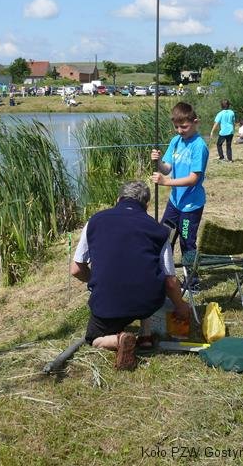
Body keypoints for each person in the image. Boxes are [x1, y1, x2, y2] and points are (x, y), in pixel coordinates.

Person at [71, 181, 192, 370]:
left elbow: (76, 269)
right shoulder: (159, 230)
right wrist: (181, 305)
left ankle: (119, 340)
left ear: (118, 199)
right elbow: (170, 281)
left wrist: (95, 280)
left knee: (94, 338)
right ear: (147, 205)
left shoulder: (94, 221)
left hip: (108, 303)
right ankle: (145, 335)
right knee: (147, 272)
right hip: (147, 302)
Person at [151, 102, 209, 267]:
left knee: (187, 242)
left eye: (184, 127)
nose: (179, 131)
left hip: (190, 206)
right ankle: (164, 272)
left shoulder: (199, 146)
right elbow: (167, 168)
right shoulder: (176, 141)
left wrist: (166, 182)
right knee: (164, 238)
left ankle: (192, 278)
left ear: (195, 122)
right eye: (176, 127)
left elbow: (193, 179)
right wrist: (158, 161)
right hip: (174, 202)